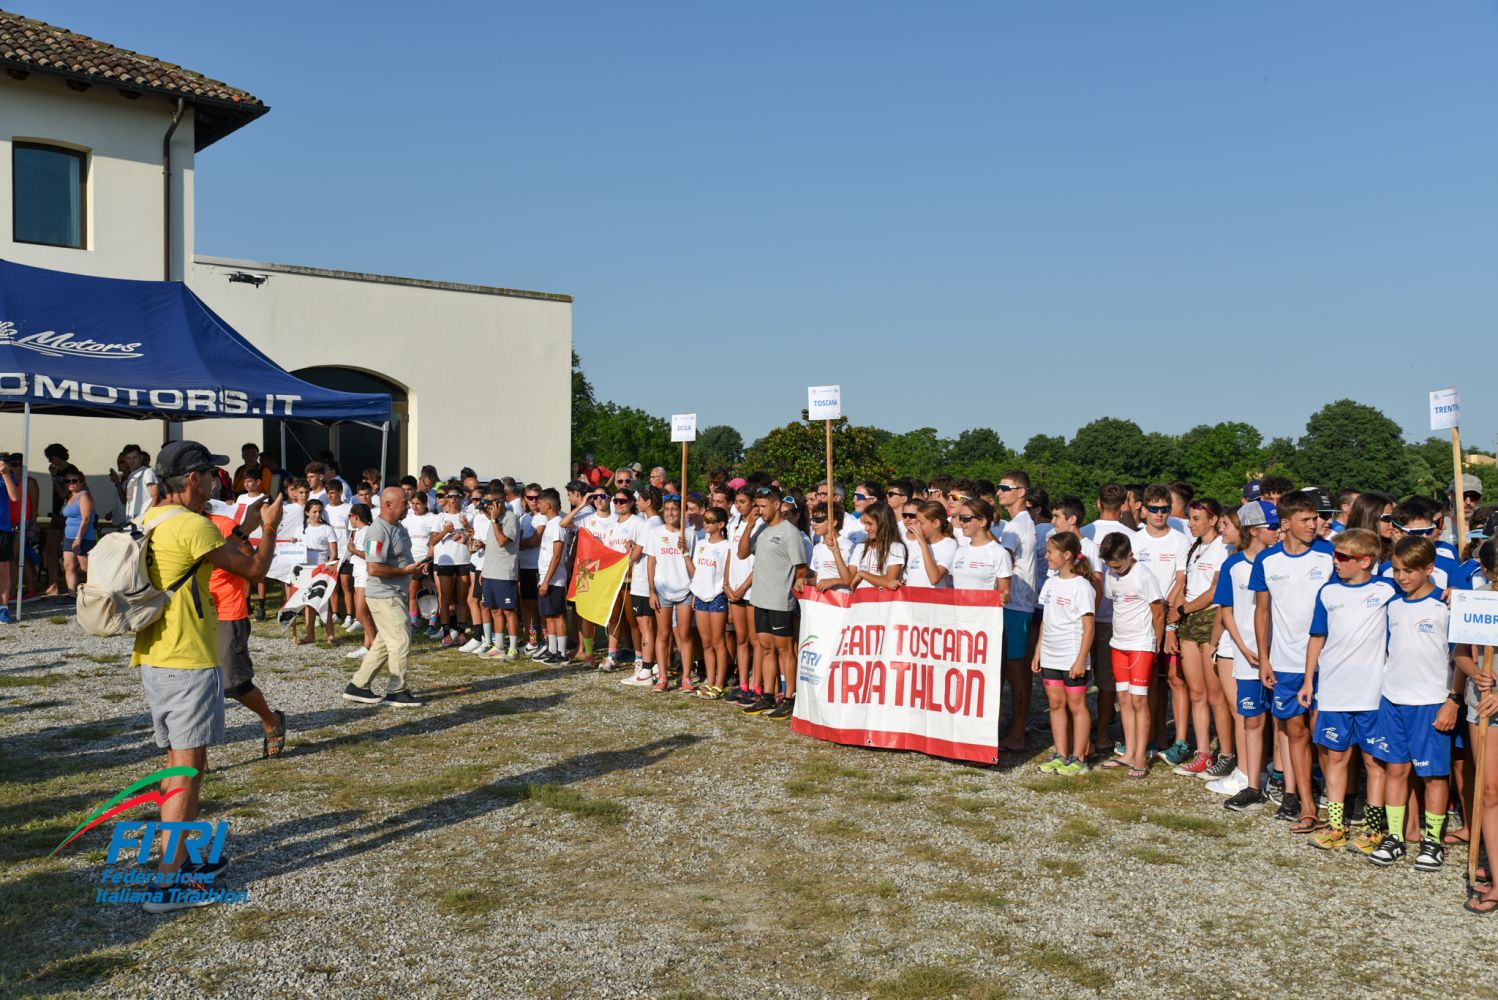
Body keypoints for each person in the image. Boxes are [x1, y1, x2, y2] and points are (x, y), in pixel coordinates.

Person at [132, 441, 282, 913]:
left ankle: (180, 860)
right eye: (211, 473)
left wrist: (246, 525)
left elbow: (205, 549)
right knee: (188, 768)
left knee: (179, 762)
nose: (218, 480)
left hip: (156, 654)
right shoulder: (191, 525)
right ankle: (168, 882)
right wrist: (270, 527)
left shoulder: (154, 517)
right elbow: (254, 568)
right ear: (193, 479)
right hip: (188, 658)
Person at [1301, 528, 1399, 850]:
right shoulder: (1327, 592)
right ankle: (1335, 826)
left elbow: (1422, 595)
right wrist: (1308, 680)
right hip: (1334, 691)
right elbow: (1317, 637)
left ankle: (1372, 829)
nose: (1336, 561)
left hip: (1373, 693)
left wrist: (1450, 592)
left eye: (1343, 557)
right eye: (1335, 555)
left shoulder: (1387, 589)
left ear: (1366, 561)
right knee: (1336, 758)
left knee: (1374, 761)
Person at [1366, 536, 1456, 871]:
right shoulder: (1392, 604)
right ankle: (1395, 836)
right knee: (1396, 769)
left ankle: (1433, 842)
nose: (1401, 577)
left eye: (1409, 571)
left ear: (1429, 568)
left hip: (1431, 702)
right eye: (1397, 571)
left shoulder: (1446, 605)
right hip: (1393, 700)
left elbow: (1461, 656)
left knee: (1433, 775)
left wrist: (1453, 700)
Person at [1251, 489, 1336, 833]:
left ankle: (1336, 801)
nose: (1313, 525)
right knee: (1296, 733)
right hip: (1285, 663)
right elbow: (1262, 612)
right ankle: (1307, 807)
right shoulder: (1267, 560)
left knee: (1323, 736)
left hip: (1328, 662)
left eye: (1315, 518)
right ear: (1285, 524)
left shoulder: (1330, 554)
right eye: (1305, 520)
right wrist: (1264, 659)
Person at [205, 501, 287, 757]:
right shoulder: (177, 524)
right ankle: (197, 753)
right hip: (193, 615)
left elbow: (253, 565)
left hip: (226, 612)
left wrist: (264, 529)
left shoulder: (223, 524)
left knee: (234, 683)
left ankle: (270, 719)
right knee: (197, 686)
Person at [1212, 501, 1277, 809]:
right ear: (1254, 531)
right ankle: (1250, 781)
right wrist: (1244, 648)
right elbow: (1226, 611)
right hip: (1246, 656)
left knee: (1282, 723)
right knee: (1251, 719)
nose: (1278, 531)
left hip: (1277, 655)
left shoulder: (1279, 562)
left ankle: (1278, 779)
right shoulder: (1233, 565)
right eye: (1272, 527)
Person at [344, 487, 430, 707]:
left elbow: (402, 559)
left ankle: (358, 686)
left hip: (396, 593)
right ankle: (397, 691)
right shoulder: (377, 531)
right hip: (384, 595)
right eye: (404, 503)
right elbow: (373, 568)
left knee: (384, 642)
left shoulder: (398, 527)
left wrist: (417, 573)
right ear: (388, 505)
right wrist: (404, 571)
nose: (408, 506)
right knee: (401, 640)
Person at [1173, 498, 1233, 778]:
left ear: (1213, 520)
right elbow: (1184, 586)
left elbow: (1214, 591)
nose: (1191, 524)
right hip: (1189, 621)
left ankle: (1227, 753)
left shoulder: (1223, 547)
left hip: (1209, 618)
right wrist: (1175, 621)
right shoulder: (1194, 547)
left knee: (1215, 694)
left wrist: (1182, 610)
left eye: (1197, 519)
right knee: (1196, 692)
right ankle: (1203, 754)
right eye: (1190, 518)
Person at [1132, 484, 1190, 764]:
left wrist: (1169, 617)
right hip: (1142, 617)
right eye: (1154, 509)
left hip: (1171, 615)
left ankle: (1179, 740)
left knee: (1176, 679)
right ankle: (1154, 735)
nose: (1159, 514)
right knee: (1151, 681)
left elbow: (1181, 580)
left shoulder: (1180, 540)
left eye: (1164, 509)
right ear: (1144, 510)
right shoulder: (1134, 540)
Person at [1097, 532, 1163, 778]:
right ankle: (1130, 751)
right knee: (1123, 699)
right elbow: (1115, 602)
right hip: (1118, 644)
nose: (1113, 570)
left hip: (1140, 645)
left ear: (1130, 556)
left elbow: (1158, 612)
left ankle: (1141, 756)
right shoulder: (1110, 575)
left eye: (1117, 565)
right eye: (1109, 566)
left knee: (1138, 701)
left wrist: (1156, 644)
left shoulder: (1143, 575)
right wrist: (1112, 571)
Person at [739, 486, 807, 719]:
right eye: (757, 506)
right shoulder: (761, 530)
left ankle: (789, 698)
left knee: (785, 650)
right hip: (760, 598)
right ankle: (768, 695)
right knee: (766, 648)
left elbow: (801, 568)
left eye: (763, 506)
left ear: (777, 505)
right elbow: (742, 553)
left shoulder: (790, 532)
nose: (760, 510)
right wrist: (749, 525)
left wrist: (793, 585)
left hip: (780, 600)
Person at [1033, 532, 1096, 776]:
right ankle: (1061, 754)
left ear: (1067, 555)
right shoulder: (1050, 583)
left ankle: (1079, 758)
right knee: (1055, 703)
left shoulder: (1082, 586)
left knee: (1076, 705)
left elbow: (1089, 627)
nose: (1046, 556)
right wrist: (1038, 651)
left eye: (1050, 552)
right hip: (1050, 654)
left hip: (1071, 655)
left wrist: (1080, 660)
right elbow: (1046, 621)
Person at [1082, 483, 1132, 750]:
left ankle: (1077, 736)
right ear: (1124, 505)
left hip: (1083, 616)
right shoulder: (1133, 536)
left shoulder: (1084, 532)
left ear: (1098, 503)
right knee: (1106, 683)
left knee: (1077, 679)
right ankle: (1102, 735)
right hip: (1113, 617)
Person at [996, 471, 1039, 753]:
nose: (999, 492)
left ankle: (1018, 732)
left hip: (1016, 604)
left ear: (1021, 492)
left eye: (1005, 488)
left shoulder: (1017, 524)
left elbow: (1001, 560)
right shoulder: (1019, 522)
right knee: (1013, 669)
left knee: (1016, 670)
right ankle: (1015, 728)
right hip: (1015, 603)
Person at [647, 494, 696, 692]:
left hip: (685, 589)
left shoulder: (690, 534)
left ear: (681, 512)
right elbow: (651, 563)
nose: (670, 513)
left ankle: (686, 677)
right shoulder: (655, 533)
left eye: (674, 509)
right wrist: (652, 591)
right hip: (663, 590)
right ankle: (662, 677)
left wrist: (685, 551)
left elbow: (694, 567)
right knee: (663, 633)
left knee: (684, 634)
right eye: (667, 509)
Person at [686, 506, 731, 697]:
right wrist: (684, 555)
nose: (706, 523)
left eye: (711, 521)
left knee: (718, 641)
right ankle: (709, 680)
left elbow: (726, 574)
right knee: (706, 642)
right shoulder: (701, 544)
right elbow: (696, 572)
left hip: (718, 596)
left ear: (721, 524)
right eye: (705, 519)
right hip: (701, 597)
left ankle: (720, 682)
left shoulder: (727, 546)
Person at [724, 487, 758, 703]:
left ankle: (757, 685)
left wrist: (743, 588)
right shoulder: (733, 523)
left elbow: (758, 563)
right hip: (734, 588)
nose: (738, 506)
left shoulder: (759, 525)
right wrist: (726, 583)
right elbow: (730, 554)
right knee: (741, 639)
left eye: (743, 501)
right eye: (736, 501)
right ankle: (743, 684)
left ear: (753, 502)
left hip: (751, 589)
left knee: (756, 640)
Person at [479, 488, 522, 660]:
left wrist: (495, 520)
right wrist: (484, 571)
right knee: (495, 610)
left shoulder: (510, 518)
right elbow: (491, 547)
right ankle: (499, 646)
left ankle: (513, 648)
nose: (487, 506)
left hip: (504, 573)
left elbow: (502, 541)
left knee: (508, 610)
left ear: (500, 501)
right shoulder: (493, 519)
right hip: (490, 572)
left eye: (489, 502)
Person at [533, 489, 572, 664]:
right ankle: (552, 649)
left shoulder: (557, 525)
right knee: (548, 615)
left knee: (557, 615)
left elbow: (556, 556)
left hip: (554, 579)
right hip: (545, 577)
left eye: (540, 502)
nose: (538, 505)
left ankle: (562, 653)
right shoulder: (550, 523)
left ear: (548, 505)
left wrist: (547, 581)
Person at [294, 499, 337, 645]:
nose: (317, 514)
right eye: (314, 512)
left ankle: (331, 635)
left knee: (323, 603)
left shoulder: (327, 529)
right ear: (307, 512)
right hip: (305, 570)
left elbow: (334, 552)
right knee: (309, 603)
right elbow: (294, 547)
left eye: (320, 511)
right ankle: (310, 635)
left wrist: (328, 567)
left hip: (321, 570)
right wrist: (293, 541)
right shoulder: (300, 529)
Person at [400, 490, 439, 629]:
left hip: (428, 561)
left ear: (425, 503)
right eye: (412, 503)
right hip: (412, 561)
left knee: (431, 592)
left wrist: (428, 560)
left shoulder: (433, 518)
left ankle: (432, 623)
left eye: (418, 504)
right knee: (413, 592)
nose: (414, 506)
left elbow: (434, 542)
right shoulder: (406, 520)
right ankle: (414, 622)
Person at [343, 503, 376, 661]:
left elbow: (371, 555)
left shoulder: (368, 531)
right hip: (358, 573)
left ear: (356, 516)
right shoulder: (359, 532)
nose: (349, 519)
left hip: (365, 574)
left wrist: (353, 550)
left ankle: (376, 648)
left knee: (361, 614)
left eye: (350, 516)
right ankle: (367, 646)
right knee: (365, 614)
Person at [902, 501, 957, 589]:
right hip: (912, 597)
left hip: (934, 597)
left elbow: (934, 578)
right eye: (916, 521)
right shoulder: (916, 543)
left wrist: (924, 545)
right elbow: (909, 577)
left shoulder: (949, 544)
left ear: (936, 523)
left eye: (921, 523)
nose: (917, 525)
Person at [59, 466, 95, 598]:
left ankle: (96, 592)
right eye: (67, 481)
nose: (71, 483)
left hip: (83, 537)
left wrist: (78, 538)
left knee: (86, 567)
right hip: (69, 537)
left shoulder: (84, 495)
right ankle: (72, 595)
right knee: (68, 566)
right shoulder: (70, 497)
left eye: (74, 480)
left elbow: (86, 519)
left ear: (82, 482)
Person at [114, 444, 160, 522]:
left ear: (141, 458)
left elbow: (155, 495)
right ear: (125, 460)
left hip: (144, 521)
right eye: (128, 458)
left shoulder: (147, 472)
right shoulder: (130, 476)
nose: (132, 461)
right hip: (132, 521)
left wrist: (149, 518)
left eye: (135, 457)